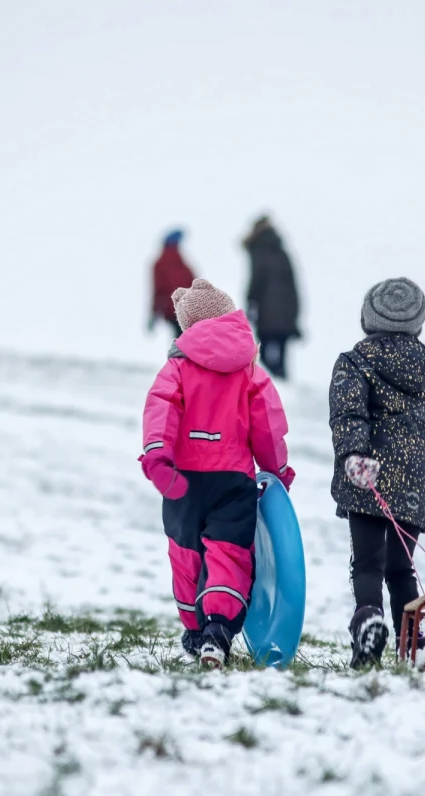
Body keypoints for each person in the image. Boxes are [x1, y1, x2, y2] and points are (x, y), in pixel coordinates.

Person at [140, 278, 295, 668]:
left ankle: (194, 630)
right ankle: (218, 631)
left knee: (185, 552)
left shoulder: (176, 366)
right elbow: (268, 424)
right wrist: (276, 472)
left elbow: (161, 407)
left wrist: (158, 455)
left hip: (184, 481)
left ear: (189, 327)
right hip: (233, 480)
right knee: (228, 553)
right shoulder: (250, 372)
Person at [328, 277, 425, 667]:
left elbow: (348, 414)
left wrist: (354, 454)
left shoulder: (354, 363)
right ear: (418, 324)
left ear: (367, 319)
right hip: (411, 486)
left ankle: (369, 620)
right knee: (401, 567)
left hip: (367, 478)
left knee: (368, 562)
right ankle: (412, 642)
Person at [243, 215, 300, 379]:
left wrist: (250, 303)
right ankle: (281, 382)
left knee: (262, 351)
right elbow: (293, 287)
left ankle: (275, 381)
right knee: (281, 354)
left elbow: (256, 282)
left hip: (267, 313)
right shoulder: (282, 253)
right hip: (287, 313)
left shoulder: (259, 251)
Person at [149, 229, 195, 338]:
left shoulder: (160, 263)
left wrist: (154, 314)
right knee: (189, 339)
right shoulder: (181, 263)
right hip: (188, 308)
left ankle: (178, 354)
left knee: (180, 340)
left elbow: (158, 291)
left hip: (172, 310)